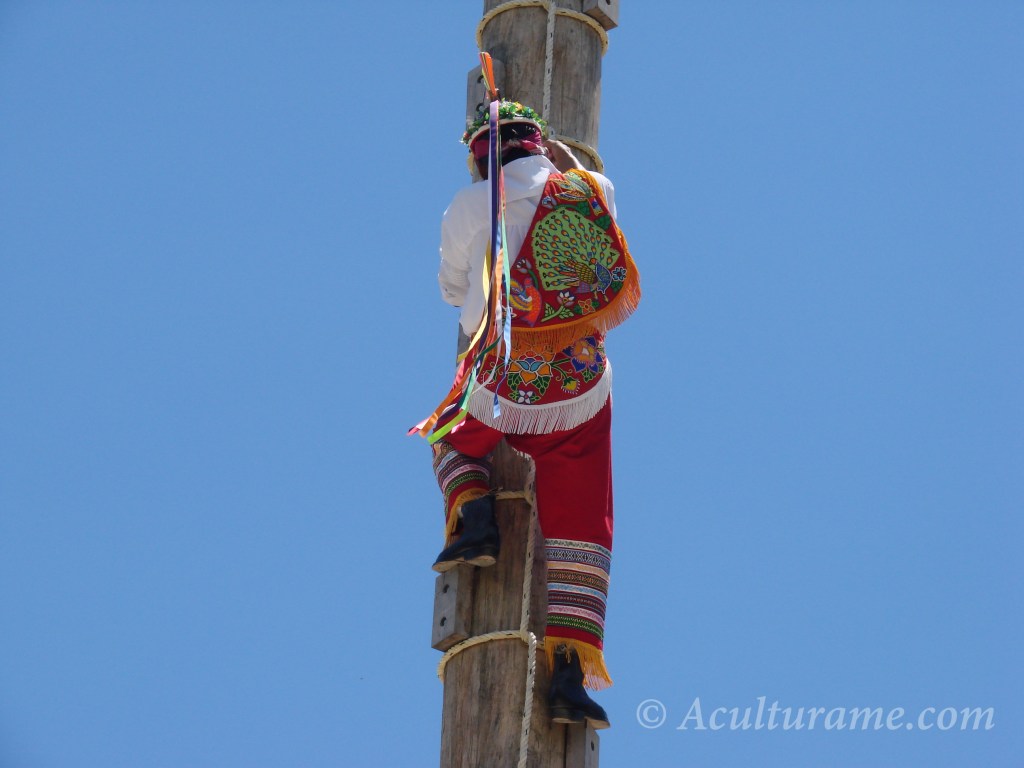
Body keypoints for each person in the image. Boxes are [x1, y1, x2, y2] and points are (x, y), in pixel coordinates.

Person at [422, 101, 640, 729]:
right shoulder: (590, 188)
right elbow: (602, 227)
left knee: (448, 435)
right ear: (540, 145)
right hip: (580, 381)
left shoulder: (472, 203)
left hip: (509, 378)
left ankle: (477, 520)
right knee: (583, 522)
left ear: (481, 156)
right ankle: (569, 670)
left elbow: (450, 288)